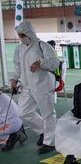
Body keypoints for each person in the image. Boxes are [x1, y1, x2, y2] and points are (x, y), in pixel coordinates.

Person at [11, 21, 60, 154]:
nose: (21, 37)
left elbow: (55, 63)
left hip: (42, 86)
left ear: (29, 33)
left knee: (48, 114)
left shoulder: (42, 46)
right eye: (19, 35)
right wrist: (14, 79)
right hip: (26, 86)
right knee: (23, 112)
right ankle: (44, 131)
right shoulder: (19, 48)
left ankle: (50, 142)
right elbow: (17, 66)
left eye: (23, 34)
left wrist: (41, 63)